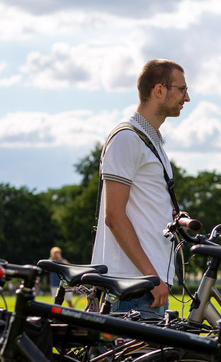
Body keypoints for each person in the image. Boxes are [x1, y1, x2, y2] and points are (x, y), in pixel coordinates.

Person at [91, 59, 190, 317]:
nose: (187, 98)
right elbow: (113, 215)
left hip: (146, 284)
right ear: (159, 90)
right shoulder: (127, 138)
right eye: (181, 89)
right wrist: (151, 276)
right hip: (135, 286)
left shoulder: (149, 141)